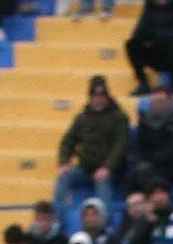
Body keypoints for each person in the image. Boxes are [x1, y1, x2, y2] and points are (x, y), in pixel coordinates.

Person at [54, 76, 131, 232]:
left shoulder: (119, 118)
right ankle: (57, 221)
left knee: (103, 182)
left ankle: (105, 225)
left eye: (102, 96)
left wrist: (108, 167)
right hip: (85, 168)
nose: (98, 100)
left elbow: (121, 146)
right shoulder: (82, 118)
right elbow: (67, 142)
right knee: (64, 177)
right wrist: (64, 162)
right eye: (95, 96)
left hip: (111, 170)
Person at [130, 84, 173, 193]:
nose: (157, 105)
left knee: (149, 175)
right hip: (150, 163)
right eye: (154, 101)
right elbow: (140, 145)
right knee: (134, 174)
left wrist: (154, 161)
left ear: (170, 101)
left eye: (161, 101)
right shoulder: (145, 120)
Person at [125, 0, 173, 90]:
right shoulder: (149, 6)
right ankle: (143, 83)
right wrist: (149, 38)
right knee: (132, 44)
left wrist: (155, 36)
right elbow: (139, 31)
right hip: (157, 53)